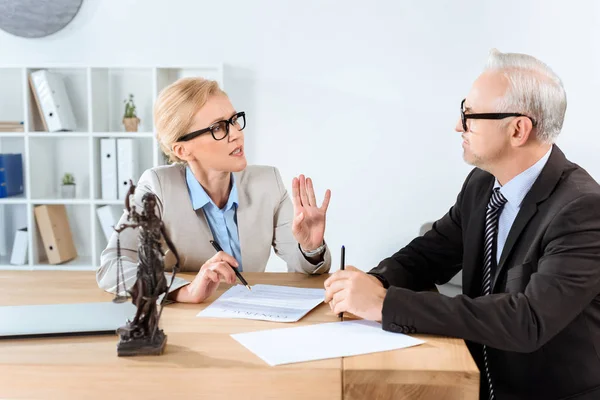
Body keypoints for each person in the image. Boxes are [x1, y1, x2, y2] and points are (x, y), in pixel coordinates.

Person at [324, 49, 600, 400]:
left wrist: (384, 304)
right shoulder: (481, 185)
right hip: (475, 384)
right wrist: (371, 283)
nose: (458, 126)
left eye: (469, 115)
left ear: (518, 129)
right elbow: (427, 256)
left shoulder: (583, 209)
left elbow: (527, 320)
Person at [97, 77, 332, 303]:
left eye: (234, 120)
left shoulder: (267, 182)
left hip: (255, 315)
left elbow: (304, 270)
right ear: (182, 150)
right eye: (219, 127)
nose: (236, 134)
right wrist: (184, 291)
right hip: (192, 322)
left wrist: (311, 248)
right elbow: (113, 266)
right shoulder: (158, 188)